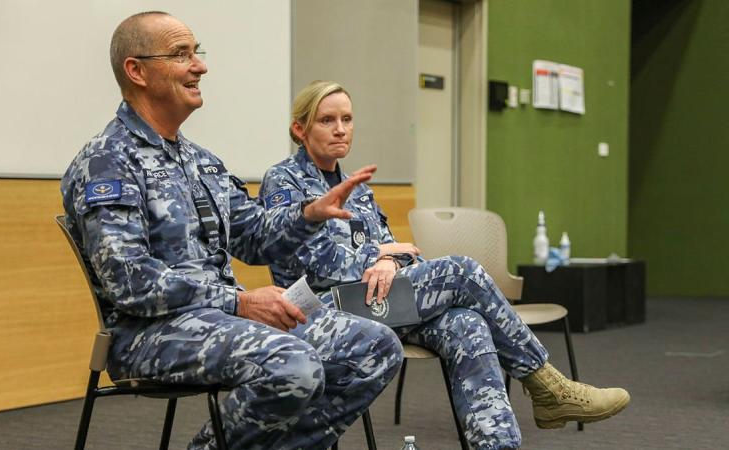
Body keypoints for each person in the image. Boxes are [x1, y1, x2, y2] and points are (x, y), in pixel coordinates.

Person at [61, 14, 403, 450]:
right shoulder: (108, 160)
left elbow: (254, 237)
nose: (199, 66)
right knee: (293, 365)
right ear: (137, 71)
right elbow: (130, 282)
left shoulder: (199, 160)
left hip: (221, 318)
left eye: (196, 53)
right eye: (181, 54)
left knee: (373, 345)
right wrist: (239, 301)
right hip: (148, 333)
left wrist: (310, 213)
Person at [260, 80, 631, 450]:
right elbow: (308, 259)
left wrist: (388, 257)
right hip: (322, 310)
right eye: (327, 120)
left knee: (465, 324)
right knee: (461, 271)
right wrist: (377, 255)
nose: (340, 129)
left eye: (347, 118)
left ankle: (498, 445)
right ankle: (549, 387)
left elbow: (407, 252)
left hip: (376, 300)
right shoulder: (283, 182)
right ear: (300, 129)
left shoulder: (358, 189)